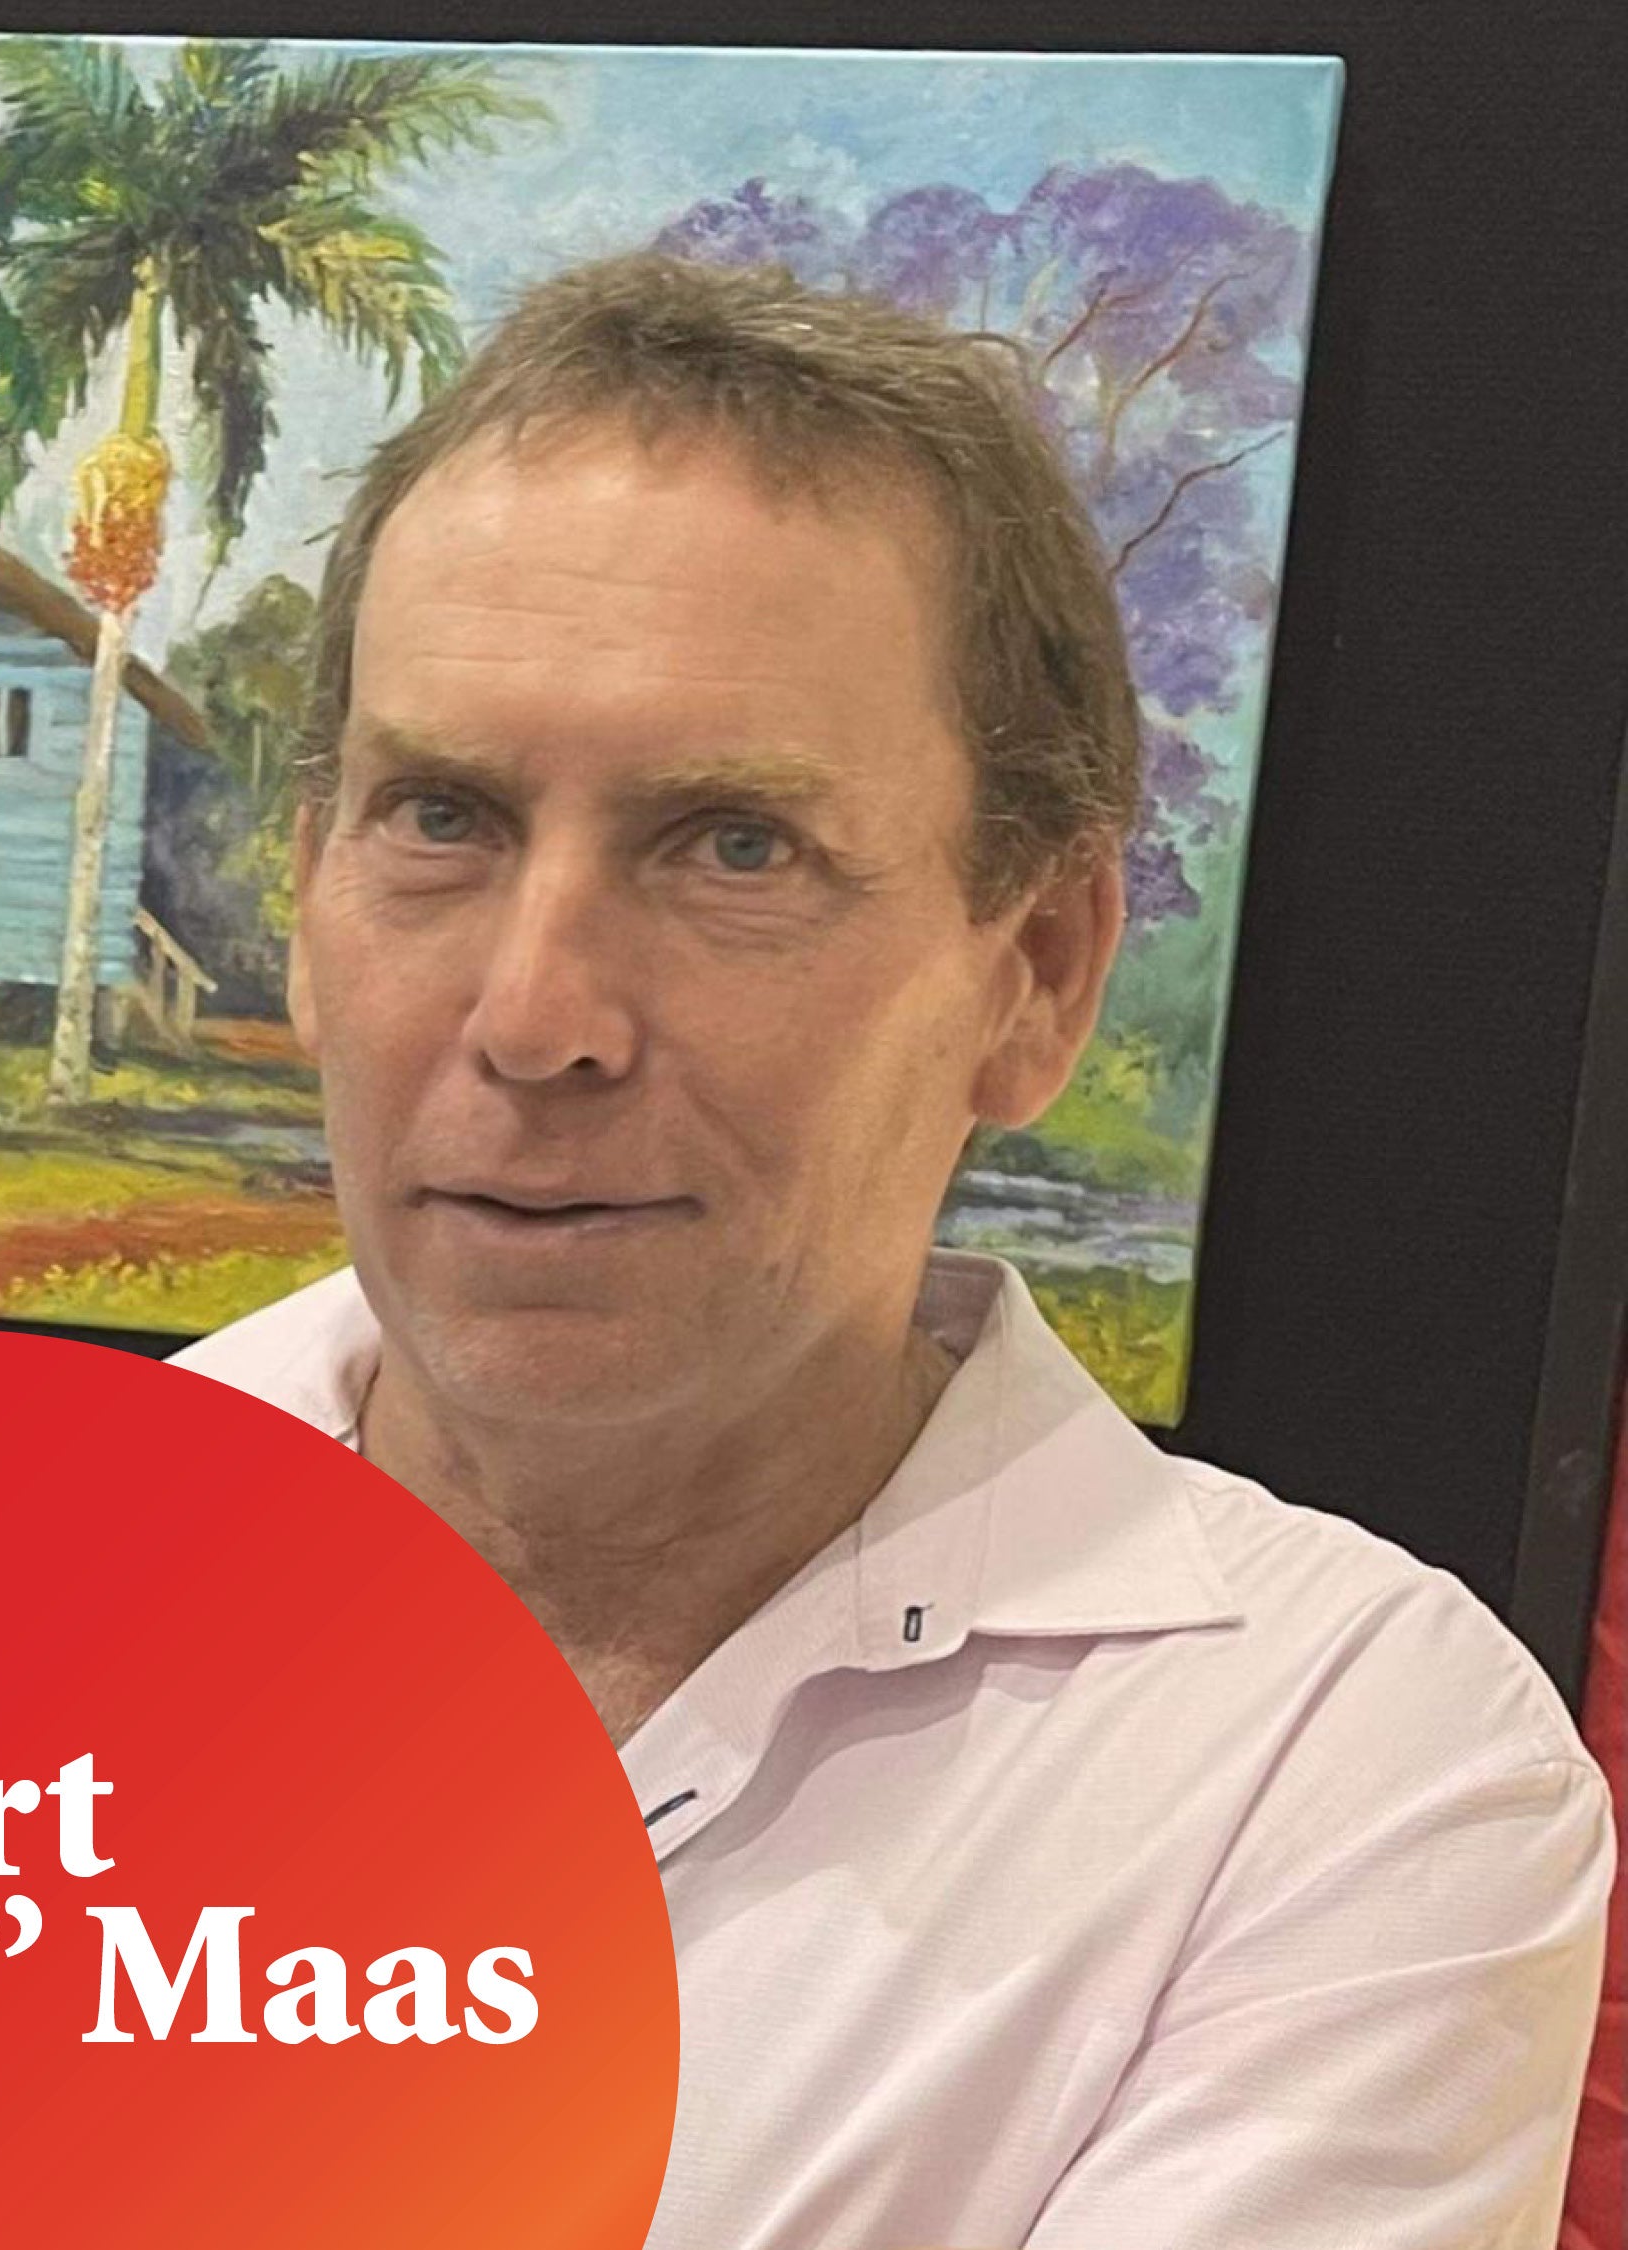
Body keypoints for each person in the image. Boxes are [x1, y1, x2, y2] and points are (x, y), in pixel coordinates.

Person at [171, 253, 1613, 2248]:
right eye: (442, 815)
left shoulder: (1330, 1770)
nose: (533, 1016)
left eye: (732, 846)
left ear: (1034, 971)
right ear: (311, 892)